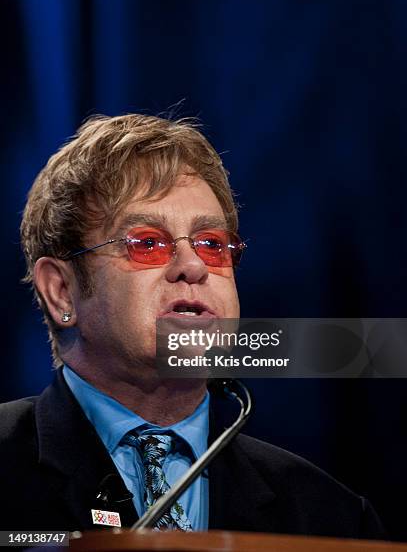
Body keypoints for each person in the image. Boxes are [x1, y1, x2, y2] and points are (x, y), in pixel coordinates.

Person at [0, 113, 385, 538]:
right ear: (62, 292)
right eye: (147, 243)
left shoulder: (330, 518)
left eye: (212, 245)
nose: (193, 266)